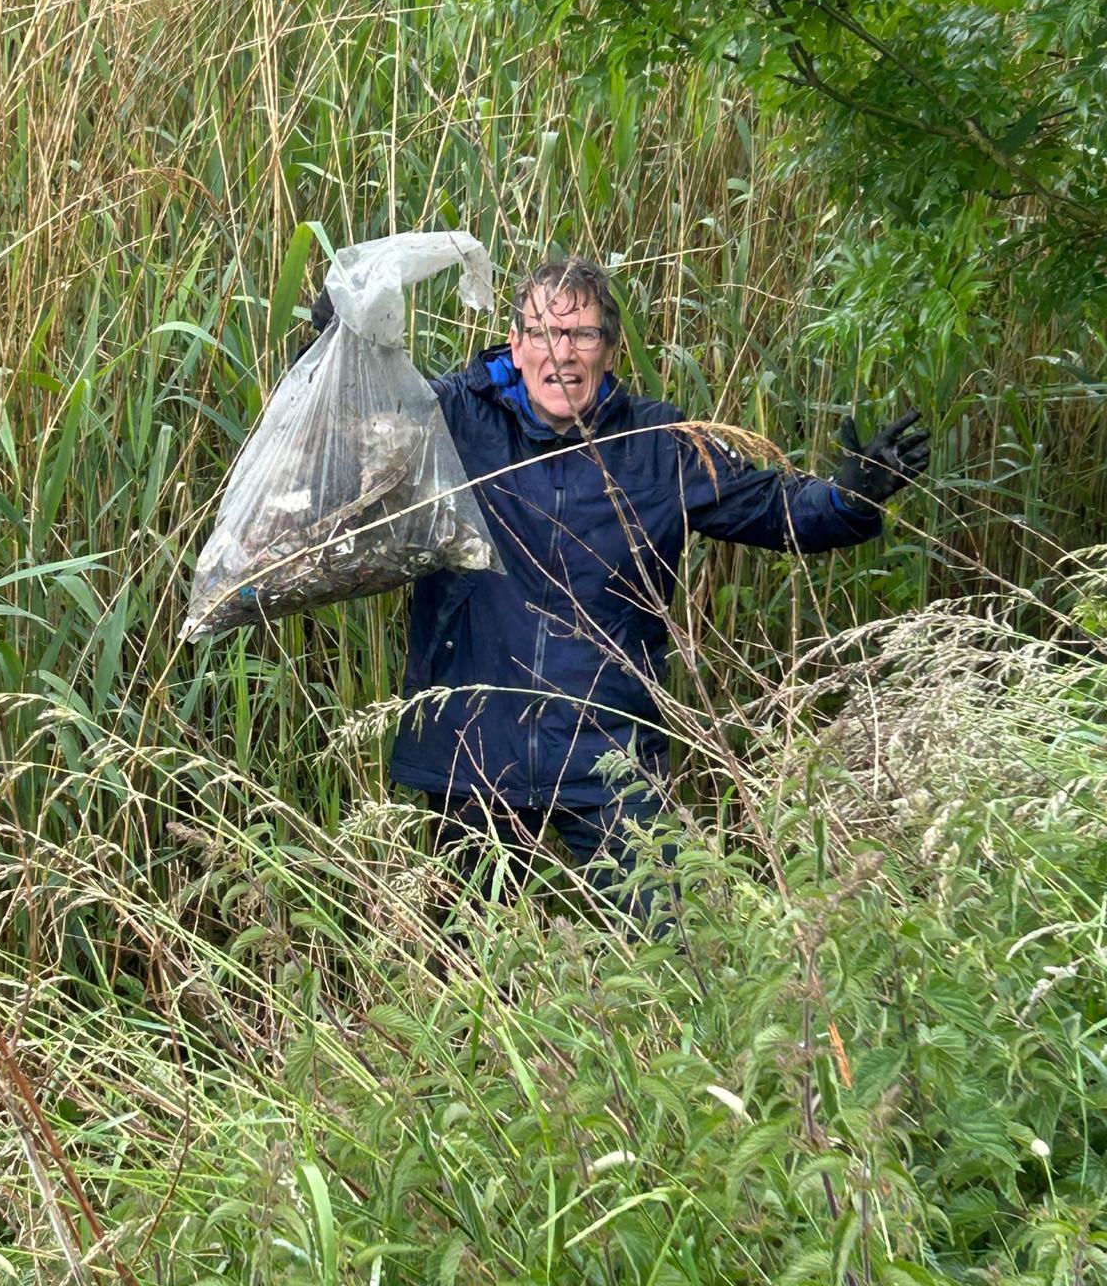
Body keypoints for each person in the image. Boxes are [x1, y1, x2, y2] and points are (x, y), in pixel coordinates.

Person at [316, 256, 930, 930]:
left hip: (605, 749)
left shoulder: (655, 446)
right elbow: (350, 431)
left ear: (610, 349)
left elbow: (777, 512)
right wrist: (330, 351)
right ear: (515, 344)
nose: (562, 353)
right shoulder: (455, 421)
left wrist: (851, 495)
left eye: (581, 335)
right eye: (543, 332)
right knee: (463, 973)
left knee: (669, 953)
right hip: (474, 747)